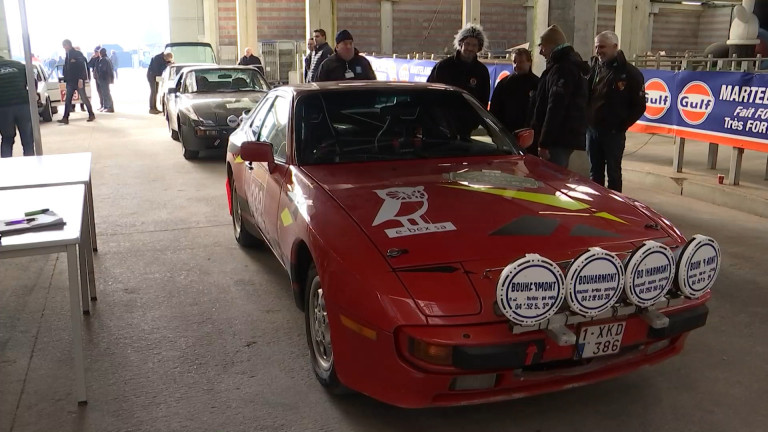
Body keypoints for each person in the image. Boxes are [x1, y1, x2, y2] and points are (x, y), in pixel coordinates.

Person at [586, 31, 646, 193]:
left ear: (615, 47)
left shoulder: (631, 74)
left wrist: (620, 125)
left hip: (613, 133)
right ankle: (596, 204)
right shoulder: (595, 68)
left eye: (602, 47)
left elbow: (639, 106)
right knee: (594, 172)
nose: (598, 51)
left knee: (613, 173)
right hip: (592, 131)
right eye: (596, 47)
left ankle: (615, 209)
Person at [530, 25, 589, 168]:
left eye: (542, 47)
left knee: (552, 177)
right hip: (563, 137)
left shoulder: (562, 69)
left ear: (552, 45)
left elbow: (555, 107)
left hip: (557, 139)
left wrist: (544, 142)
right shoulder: (567, 65)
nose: (540, 52)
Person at [489, 47, 540, 155]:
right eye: (515, 62)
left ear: (529, 62)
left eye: (521, 62)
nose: (517, 65)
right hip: (508, 135)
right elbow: (494, 110)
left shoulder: (537, 84)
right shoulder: (504, 84)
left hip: (530, 138)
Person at [426, 23, 491, 106]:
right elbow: (430, 92)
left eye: (474, 45)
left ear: (479, 48)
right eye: (467, 44)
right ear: (461, 44)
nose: (470, 48)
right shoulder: (443, 66)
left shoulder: (482, 71)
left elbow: (483, 101)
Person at [0, 55, 35, 157]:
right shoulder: (19, 65)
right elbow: (33, 83)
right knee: (27, 139)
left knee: (7, 139)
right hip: (23, 105)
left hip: (3, 107)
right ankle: (30, 164)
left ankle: (5, 167)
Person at [58, 39, 95, 124]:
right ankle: (65, 118)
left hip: (78, 81)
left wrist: (81, 79)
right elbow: (67, 67)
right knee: (68, 100)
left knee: (84, 98)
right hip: (70, 81)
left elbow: (82, 67)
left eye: (65, 46)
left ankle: (91, 114)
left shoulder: (78, 54)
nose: (64, 48)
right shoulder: (67, 55)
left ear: (68, 45)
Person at [96, 48, 115, 112]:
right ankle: (105, 106)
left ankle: (109, 107)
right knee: (104, 93)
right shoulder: (107, 58)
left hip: (104, 78)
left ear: (101, 53)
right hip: (106, 78)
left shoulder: (104, 60)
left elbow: (102, 69)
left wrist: (100, 77)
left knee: (106, 93)